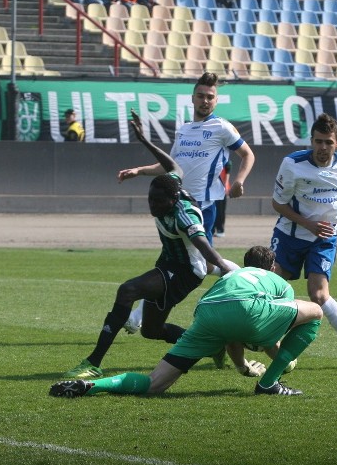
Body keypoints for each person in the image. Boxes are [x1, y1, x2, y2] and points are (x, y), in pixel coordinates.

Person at [62, 111, 238, 379]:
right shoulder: (173, 184)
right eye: (150, 201)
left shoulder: (184, 214)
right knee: (152, 331)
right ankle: (213, 346)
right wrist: (144, 139)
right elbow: (174, 167)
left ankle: (93, 362)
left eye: (158, 203)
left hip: (185, 272)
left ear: (173, 199)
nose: (152, 206)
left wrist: (227, 270)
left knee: (127, 290)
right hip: (168, 263)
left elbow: (203, 246)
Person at [50, 245, 322, 398]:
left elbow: (232, 337)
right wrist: (285, 363)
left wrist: (242, 367)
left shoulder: (233, 275)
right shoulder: (278, 282)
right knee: (315, 312)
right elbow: (270, 340)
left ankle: (93, 386)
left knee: (154, 384)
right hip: (245, 310)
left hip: (206, 314)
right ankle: (269, 384)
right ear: (272, 267)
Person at [270, 113, 337, 370]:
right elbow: (277, 203)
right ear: (311, 141)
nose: (322, 148)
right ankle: (242, 340)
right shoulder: (292, 164)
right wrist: (308, 224)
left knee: (319, 294)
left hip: (323, 239)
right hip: (290, 235)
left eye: (328, 142)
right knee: (272, 288)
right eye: (318, 142)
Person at [116, 72, 254, 244]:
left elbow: (248, 154)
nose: (205, 101)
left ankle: (231, 271)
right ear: (192, 98)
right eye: (201, 96)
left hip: (203, 204)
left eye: (210, 97)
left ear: (216, 101)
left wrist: (239, 181)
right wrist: (139, 171)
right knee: (184, 260)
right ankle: (225, 270)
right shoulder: (184, 129)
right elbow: (171, 167)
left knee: (202, 260)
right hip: (179, 202)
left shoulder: (222, 127)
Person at [213, 159, 230, 237]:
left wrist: (225, 185)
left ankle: (220, 229)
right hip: (212, 189)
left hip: (221, 188)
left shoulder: (225, 161)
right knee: (212, 209)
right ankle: (212, 230)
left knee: (220, 210)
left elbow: (227, 173)